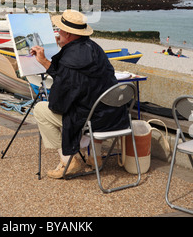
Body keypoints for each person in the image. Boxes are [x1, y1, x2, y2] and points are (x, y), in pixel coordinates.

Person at [31, 9, 129, 179]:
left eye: (60, 30)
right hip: (114, 116)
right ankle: (95, 158)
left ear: (68, 34)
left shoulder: (71, 58)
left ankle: (68, 161)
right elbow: (70, 76)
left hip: (91, 120)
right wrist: (48, 60)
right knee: (94, 102)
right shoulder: (95, 49)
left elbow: (60, 102)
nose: (58, 33)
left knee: (41, 109)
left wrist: (46, 62)